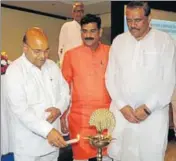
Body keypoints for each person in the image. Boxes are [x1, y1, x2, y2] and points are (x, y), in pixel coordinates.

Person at [105, 1, 176, 161]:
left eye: (137, 20)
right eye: (128, 20)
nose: (132, 25)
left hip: (153, 117)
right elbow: (110, 78)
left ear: (149, 18)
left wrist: (148, 108)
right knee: (120, 155)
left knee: (149, 155)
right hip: (123, 115)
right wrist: (122, 106)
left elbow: (169, 80)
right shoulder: (118, 42)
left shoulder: (164, 41)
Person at [5, 27, 70, 161]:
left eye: (46, 50)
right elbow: (21, 110)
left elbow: (65, 92)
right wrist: (47, 131)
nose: (43, 56)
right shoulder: (15, 71)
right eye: (37, 51)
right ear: (25, 48)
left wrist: (59, 109)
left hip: (53, 143)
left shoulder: (52, 66)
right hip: (28, 146)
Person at [62, 14, 112, 161]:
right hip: (80, 118)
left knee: (107, 156)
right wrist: (63, 115)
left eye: (92, 31)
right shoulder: (71, 55)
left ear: (100, 32)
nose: (88, 35)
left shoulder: (111, 52)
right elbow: (63, 88)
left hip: (106, 117)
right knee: (81, 157)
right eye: (84, 31)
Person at [58, 2, 84, 66]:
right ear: (73, 13)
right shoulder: (66, 26)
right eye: (76, 11)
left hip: (82, 62)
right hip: (68, 62)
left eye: (81, 11)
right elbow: (61, 47)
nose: (79, 13)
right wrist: (63, 62)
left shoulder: (86, 28)